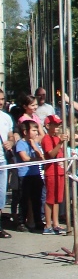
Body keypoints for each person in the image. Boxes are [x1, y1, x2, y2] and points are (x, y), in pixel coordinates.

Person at [0, 89, 14, 238]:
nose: (1, 102)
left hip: (2, 161)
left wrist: (10, 142)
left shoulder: (6, 118)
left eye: (2, 99)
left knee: (1, 195)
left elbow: (11, 135)